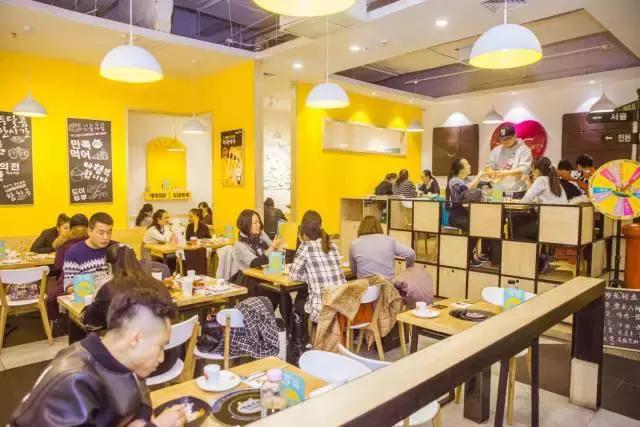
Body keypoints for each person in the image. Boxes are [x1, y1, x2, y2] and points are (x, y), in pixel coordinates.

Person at [11, 286, 185, 427]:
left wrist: (142, 420)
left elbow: (139, 396)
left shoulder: (122, 358)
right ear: (135, 339)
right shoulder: (73, 382)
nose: (162, 358)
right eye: (160, 346)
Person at [82, 245, 171, 333]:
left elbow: (91, 322)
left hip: (128, 339)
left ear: (109, 265)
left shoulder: (109, 289)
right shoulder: (158, 284)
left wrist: (90, 305)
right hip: (158, 337)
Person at [290, 211, 346, 323]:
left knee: (298, 302)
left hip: (321, 311)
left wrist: (309, 276)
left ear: (305, 235)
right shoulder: (332, 245)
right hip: (342, 308)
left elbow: (293, 275)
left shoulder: (306, 246)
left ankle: (300, 335)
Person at [233, 210, 287, 315]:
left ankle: (289, 324)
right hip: (248, 281)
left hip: (264, 276)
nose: (259, 225)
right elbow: (255, 262)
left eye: (259, 222)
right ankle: (264, 318)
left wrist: (279, 247)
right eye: (255, 223)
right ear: (245, 225)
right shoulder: (239, 245)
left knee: (284, 294)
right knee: (276, 294)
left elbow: (273, 250)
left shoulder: (261, 235)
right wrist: (272, 248)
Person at [63, 212, 117, 294]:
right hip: (89, 298)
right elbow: (68, 287)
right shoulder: (74, 253)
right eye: (101, 233)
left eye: (109, 232)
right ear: (89, 231)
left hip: (115, 297)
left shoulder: (117, 248)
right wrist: (90, 287)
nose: (106, 237)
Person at [49, 214, 89, 321]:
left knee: (51, 295)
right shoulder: (93, 240)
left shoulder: (63, 242)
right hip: (91, 281)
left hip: (68, 283)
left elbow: (58, 265)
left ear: (71, 227)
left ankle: (56, 320)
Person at [349, 215, 415, 279]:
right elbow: (410, 254)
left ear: (361, 228)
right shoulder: (389, 240)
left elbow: (354, 271)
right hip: (388, 284)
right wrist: (408, 269)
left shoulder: (354, 244)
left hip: (366, 285)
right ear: (379, 227)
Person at [446, 158, 485, 267]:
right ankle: (467, 257)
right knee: (476, 227)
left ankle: (480, 254)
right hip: (457, 216)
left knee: (483, 225)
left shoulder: (467, 179)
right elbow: (466, 190)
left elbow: (479, 185)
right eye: (467, 164)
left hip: (467, 214)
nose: (470, 166)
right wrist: (479, 176)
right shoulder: (454, 181)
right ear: (461, 169)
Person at [484, 124, 533, 197]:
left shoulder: (524, 150)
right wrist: (491, 173)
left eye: (508, 138)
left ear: (515, 136)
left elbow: (524, 170)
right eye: (502, 139)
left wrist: (506, 173)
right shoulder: (496, 150)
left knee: (513, 205)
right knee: (496, 204)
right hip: (497, 189)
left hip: (516, 190)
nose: (505, 141)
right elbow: (489, 164)